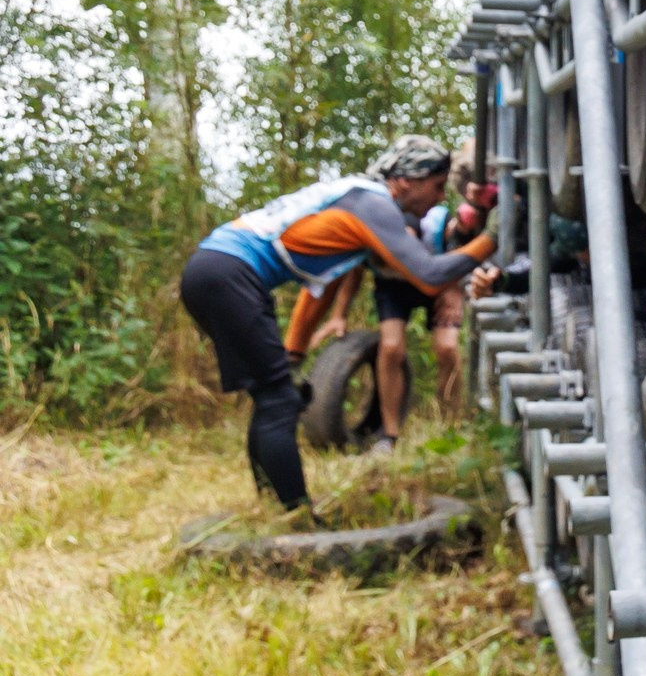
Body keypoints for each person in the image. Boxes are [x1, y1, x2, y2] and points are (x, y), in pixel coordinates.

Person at [179, 136, 496, 509]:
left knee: (271, 399)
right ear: (407, 179)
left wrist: (294, 350)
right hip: (229, 273)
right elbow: (427, 274)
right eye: (438, 186)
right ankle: (296, 513)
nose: (442, 197)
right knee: (280, 403)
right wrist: (491, 237)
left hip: (214, 270)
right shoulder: (373, 203)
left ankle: (273, 506)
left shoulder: (356, 198)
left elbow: (321, 284)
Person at [371, 170, 498, 453]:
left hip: (441, 279)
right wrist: (339, 314)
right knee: (390, 347)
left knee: (447, 348)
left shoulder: (441, 223)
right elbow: (351, 269)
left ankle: (449, 426)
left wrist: (453, 290)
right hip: (393, 286)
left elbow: (462, 252)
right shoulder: (372, 225)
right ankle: (389, 434)